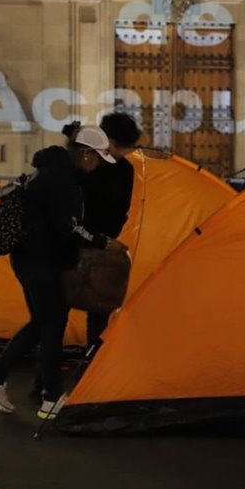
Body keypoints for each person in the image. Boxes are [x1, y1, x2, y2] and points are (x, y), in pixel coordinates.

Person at [0, 125, 115, 420]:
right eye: (96, 158)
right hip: (42, 262)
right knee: (52, 325)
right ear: (85, 153)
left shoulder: (48, 172)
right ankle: (51, 398)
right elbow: (70, 227)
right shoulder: (62, 180)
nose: (97, 164)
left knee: (41, 322)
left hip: (27, 259)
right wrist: (102, 242)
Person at [65, 113, 142, 352]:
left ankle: (91, 359)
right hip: (76, 244)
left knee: (98, 307)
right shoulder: (84, 163)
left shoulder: (124, 169)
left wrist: (106, 238)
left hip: (101, 245)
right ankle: (49, 375)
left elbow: (121, 208)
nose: (121, 153)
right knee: (61, 307)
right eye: (119, 146)